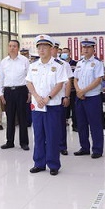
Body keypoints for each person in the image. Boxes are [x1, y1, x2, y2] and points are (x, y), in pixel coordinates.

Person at [26, 35, 69, 176]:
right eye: (39, 47)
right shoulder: (33, 66)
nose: (41, 50)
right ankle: (39, 163)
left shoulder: (59, 66)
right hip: (37, 105)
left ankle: (53, 164)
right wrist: (37, 97)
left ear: (51, 49)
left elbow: (60, 84)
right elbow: (29, 83)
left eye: (45, 47)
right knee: (38, 135)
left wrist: (48, 98)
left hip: (53, 105)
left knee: (52, 136)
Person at [72, 39, 105, 158]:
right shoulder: (79, 63)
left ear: (93, 49)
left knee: (95, 124)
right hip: (80, 97)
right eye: (84, 47)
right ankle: (84, 147)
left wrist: (83, 91)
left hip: (93, 98)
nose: (85, 49)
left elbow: (98, 80)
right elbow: (75, 79)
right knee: (81, 124)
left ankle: (97, 149)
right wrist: (78, 91)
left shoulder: (97, 63)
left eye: (88, 47)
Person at [0, 39, 30, 150]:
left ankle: (24, 142)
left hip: (21, 90)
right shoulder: (3, 62)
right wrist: (1, 93)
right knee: (10, 117)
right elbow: (1, 78)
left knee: (22, 118)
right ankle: (9, 141)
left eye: (14, 46)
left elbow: (29, 77)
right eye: (10, 46)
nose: (12, 48)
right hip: (8, 92)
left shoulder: (24, 60)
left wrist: (29, 92)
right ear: (8, 47)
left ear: (18, 48)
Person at [52, 41, 73, 155]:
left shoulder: (64, 64)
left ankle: (62, 146)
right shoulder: (42, 63)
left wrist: (67, 96)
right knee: (48, 124)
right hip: (46, 99)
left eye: (54, 48)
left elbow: (68, 82)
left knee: (60, 124)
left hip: (59, 98)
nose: (52, 50)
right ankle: (49, 145)